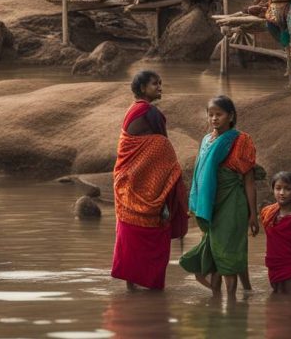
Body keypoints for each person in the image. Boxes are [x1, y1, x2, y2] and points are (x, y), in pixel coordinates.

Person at [110, 70, 188, 291]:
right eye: (155, 84)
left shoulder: (133, 110)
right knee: (153, 240)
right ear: (143, 88)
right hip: (144, 187)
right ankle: (153, 293)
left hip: (127, 185)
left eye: (160, 83)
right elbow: (162, 148)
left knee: (130, 242)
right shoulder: (149, 112)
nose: (160, 87)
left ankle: (131, 290)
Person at [180, 96, 258, 297]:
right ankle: (218, 304)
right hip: (211, 205)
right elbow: (200, 175)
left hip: (232, 204)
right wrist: (195, 205)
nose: (214, 118)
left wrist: (253, 214)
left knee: (228, 251)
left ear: (230, 116)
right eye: (210, 114)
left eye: (219, 114)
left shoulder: (242, 140)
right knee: (216, 253)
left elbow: (248, 180)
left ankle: (232, 304)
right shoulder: (206, 140)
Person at [261, 171, 291, 294]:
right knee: (277, 296)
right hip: (273, 263)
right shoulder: (267, 212)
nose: (282, 193)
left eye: (287, 189)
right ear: (273, 189)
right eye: (278, 188)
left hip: (290, 264)